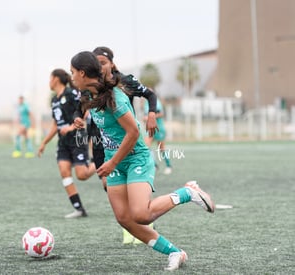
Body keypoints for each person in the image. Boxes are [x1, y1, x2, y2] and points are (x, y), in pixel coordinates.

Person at [70, 51, 215, 271]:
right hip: (114, 161)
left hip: (135, 156)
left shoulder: (115, 99)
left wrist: (111, 163)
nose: (71, 77)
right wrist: (79, 119)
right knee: (125, 219)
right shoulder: (88, 94)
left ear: (82, 73)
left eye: (72, 72)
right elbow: (80, 108)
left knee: (141, 215)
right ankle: (175, 252)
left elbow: (133, 134)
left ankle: (187, 193)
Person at [76, 46, 159, 244]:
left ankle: (140, 223)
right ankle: (130, 224)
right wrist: (78, 118)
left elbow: (150, 95)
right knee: (108, 185)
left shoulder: (124, 83)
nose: (100, 67)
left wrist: (152, 114)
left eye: (103, 63)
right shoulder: (88, 88)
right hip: (101, 143)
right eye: (97, 64)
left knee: (134, 197)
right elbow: (80, 107)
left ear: (112, 63)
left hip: (126, 141)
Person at [38, 68, 96, 219]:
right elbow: (55, 125)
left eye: (50, 78)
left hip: (77, 137)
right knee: (64, 171)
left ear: (56, 79)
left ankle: (98, 163)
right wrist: (44, 142)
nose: (49, 81)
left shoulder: (71, 94)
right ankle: (79, 209)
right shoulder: (54, 100)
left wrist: (71, 127)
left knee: (82, 175)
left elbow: (86, 110)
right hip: (63, 142)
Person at [144, 96, 172, 175]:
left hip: (158, 128)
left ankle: (168, 166)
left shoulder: (156, 102)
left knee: (161, 148)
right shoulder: (146, 104)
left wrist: (151, 117)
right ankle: (154, 165)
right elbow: (145, 115)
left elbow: (161, 113)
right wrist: (145, 118)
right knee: (146, 146)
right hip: (150, 129)